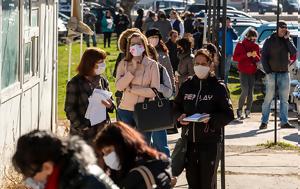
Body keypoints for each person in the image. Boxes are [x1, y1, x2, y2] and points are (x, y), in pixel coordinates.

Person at [174, 49, 234, 189]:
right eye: (197, 63)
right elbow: (176, 106)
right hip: (189, 143)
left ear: (210, 65)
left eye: (203, 63)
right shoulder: (187, 85)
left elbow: (228, 115)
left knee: (207, 184)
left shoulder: (218, 88)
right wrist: (179, 117)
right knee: (192, 183)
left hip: (210, 143)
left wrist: (211, 119)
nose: (199, 66)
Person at [12, 130, 118, 189]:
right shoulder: (68, 177)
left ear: (47, 167)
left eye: (31, 175)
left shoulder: (88, 182)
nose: (30, 182)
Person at [94, 122, 172, 189]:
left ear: (123, 145)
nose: (106, 157)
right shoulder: (157, 161)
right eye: (104, 154)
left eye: (109, 151)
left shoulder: (136, 177)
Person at [65, 48, 115, 143]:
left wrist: (110, 105)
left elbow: (112, 104)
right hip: (83, 135)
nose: (103, 65)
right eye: (100, 62)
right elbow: (69, 109)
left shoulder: (103, 80)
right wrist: (82, 126)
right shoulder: (75, 83)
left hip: (102, 131)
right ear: (90, 63)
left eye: (103, 61)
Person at [115, 32, 160, 128]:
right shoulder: (123, 63)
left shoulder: (152, 64)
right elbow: (119, 87)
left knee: (143, 142)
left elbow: (154, 91)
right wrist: (132, 70)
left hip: (145, 109)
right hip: (124, 110)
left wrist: (132, 89)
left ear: (144, 46)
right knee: (125, 142)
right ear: (129, 46)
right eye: (132, 44)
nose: (135, 46)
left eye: (139, 44)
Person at [260, 21, 297, 129]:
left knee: (284, 100)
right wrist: (267, 71)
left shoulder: (287, 40)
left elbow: (294, 52)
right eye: (281, 30)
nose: (283, 31)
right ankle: (264, 122)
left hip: (285, 73)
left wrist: (287, 39)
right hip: (272, 73)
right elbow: (264, 56)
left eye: (285, 30)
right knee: (268, 98)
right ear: (277, 29)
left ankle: (284, 122)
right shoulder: (269, 40)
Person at [147, 44, 172, 156]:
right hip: (140, 109)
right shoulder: (135, 70)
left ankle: (167, 169)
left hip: (157, 110)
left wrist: (158, 86)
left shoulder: (161, 69)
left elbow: (169, 92)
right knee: (145, 145)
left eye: (149, 55)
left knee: (161, 145)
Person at [233, 28, 260, 119]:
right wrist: (246, 55)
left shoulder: (256, 46)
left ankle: (248, 110)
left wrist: (255, 56)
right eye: (252, 39)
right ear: (247, 37)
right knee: (245, 90)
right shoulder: (240, 45)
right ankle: (239, 109)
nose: (253, 41)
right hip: (243, 71)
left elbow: (258, 59)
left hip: (252, 71)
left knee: (250, 92)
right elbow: (235, 58)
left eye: (255, 39)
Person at [113, 28, 142, 106]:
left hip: (141, 97)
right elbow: (116, 75)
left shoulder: (145, 57)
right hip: (123, 95)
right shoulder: (122, 56)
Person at [146, 28, 175, 94]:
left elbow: (169, 68)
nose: (154, 39)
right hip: (147, 85)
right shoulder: (143, 51)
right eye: (152, 37)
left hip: (162, 84)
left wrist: (172, 85)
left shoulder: (164, 51)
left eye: (156, 37)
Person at [218, 17, 238, 84]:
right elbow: (217, 38)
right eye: (227, 22)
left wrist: (231, 29)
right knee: (221, 68)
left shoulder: (231, 30)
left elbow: (235, 37)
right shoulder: (219, 30)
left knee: (227, 69)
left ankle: (225, 83)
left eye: (229, 22)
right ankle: (220, 81)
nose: (228, 23)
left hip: (229, 52)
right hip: (221, 52)